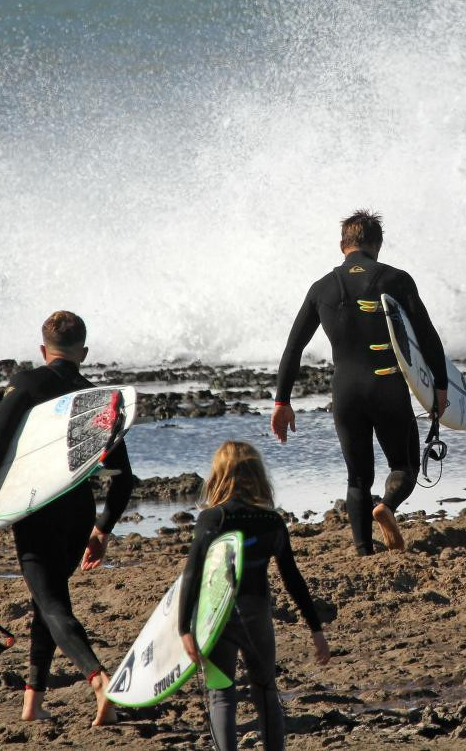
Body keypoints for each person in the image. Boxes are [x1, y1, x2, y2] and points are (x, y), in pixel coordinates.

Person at [0, 310, 134, 726]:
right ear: (83, 353)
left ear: (42, 349)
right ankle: (32, 703)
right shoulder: (94, 398)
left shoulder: (28, 384)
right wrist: (102, 529)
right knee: (48, 602)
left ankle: (99, 679)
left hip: (37, 510)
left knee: (50, 602)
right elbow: (125, 478)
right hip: (78, 511)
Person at [271, 210, 448, 555]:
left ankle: (364, 550)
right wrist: (440, 387)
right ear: (377, 245)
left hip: (346, 394)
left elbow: (294, 348)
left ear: (342, 245)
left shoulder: (320, 288)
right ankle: (387, 506)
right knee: (405, 465)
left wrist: (282, 402)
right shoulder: (396, 279)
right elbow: (426, 336)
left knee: (357, 478)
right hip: (387, 388)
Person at [179, 441, 330, 751]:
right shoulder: (271, 521)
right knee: (264, 691)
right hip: (256, 614)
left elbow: (192, 575)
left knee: (221, 695)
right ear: (258, 475)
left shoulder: (212, 519)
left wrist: (184, 628)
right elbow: (293, 580)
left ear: (217, 476)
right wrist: (316, 630)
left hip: (215, 617)